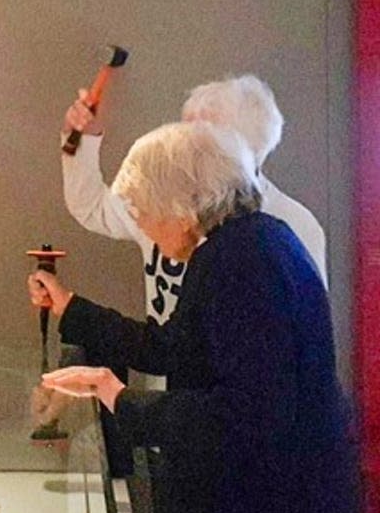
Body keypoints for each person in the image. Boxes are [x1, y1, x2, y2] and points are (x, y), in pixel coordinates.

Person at [31, 121, 369, 513]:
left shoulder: (243, 262)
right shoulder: (248, 245)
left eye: (144, 211)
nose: (143, 226)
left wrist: (124, 400)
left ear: (182, 205)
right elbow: (176, 347)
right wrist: (73, 313)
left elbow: (249, 413)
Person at [62, 74, 327, 337]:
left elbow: (303, 332)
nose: (179, 146)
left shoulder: (292, 225)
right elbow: (92, 207)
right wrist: (84, 139)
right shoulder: (164, 202)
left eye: (197, 139)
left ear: (239, 150)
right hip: (170, 371)